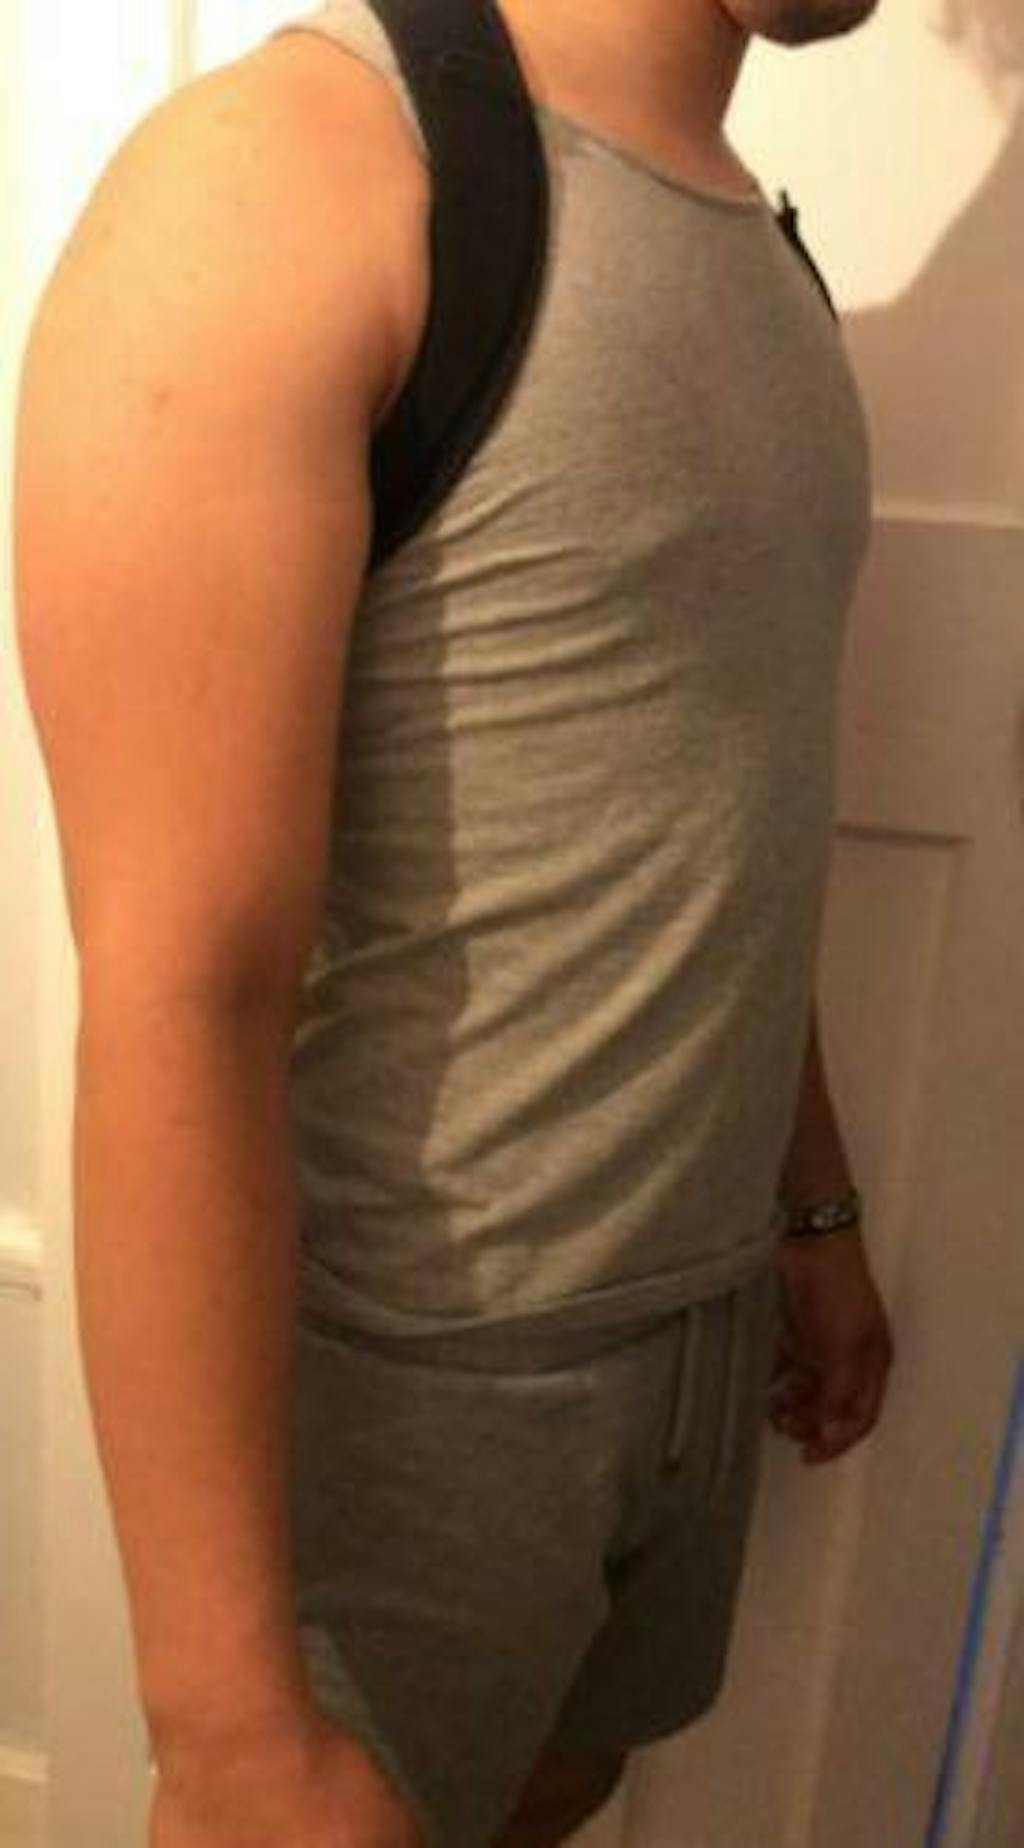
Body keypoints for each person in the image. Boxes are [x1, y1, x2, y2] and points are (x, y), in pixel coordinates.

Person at [12, 1, 895, 1844]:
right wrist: (226, 1729)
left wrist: (811, 1207)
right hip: (424, 1377)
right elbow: (185, 989)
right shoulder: (293, 174)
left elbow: (722, 806)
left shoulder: (765, 259)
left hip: (702, 1321)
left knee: (563, 1781)